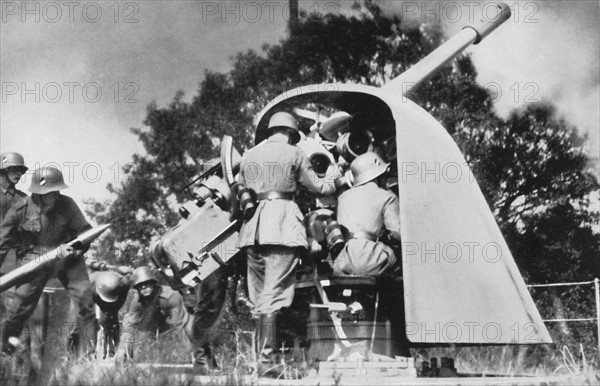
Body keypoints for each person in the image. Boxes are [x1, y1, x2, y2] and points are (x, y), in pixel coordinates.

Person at [237, 111, 338, 361]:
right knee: (275, 293)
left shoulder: (249, 156)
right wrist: (334, 177)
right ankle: (267, 360)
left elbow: (240, 189)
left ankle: (260, 359)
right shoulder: (294, 153)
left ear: (271, 131)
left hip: (252, 231)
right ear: (292, 133)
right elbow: (319, 187)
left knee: (260, 296)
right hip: (281, 229)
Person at [0, 166, 97, 360]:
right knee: (21, 305)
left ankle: (87, 354)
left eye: (57, 190)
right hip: (34, 259)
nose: (56, 195)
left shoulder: (67, 205)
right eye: (51, 192)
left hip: (67, 257)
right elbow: (3, 243)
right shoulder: (20, 209)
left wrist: (77, 249)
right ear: (39, 193)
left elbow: (85, 232)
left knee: (86, 300)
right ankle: (5, 348)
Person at [333, 151, 401, 277]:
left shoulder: (343, 197)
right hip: (373, 260)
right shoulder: (387, 196)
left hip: (344, 261)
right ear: (378, 174)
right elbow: (396, 232)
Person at [117, 266, 190, 360]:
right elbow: (130, 325)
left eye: (147, 284)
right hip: (152, 324)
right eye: (140, 286)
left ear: (153, 283)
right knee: (139, 353)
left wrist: (190, 352)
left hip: (172, 324)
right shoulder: (137, 301)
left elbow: (180, 326)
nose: (143, 287)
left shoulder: (171, 296)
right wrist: (123, 349)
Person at [88, 270, 131, 358]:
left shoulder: (124, 284)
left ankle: (115, 349)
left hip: (113, 294)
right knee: (92, 322)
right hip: (95, 292)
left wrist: (111, 314)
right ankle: (92, 350)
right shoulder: (89, 282)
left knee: (110, 319)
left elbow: (119, 302)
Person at [0, 152, 28, 273]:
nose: (19, 174)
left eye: (21, 171)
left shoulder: (23, 199)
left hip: (11, 258)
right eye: (14, 170)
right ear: (3, 170)